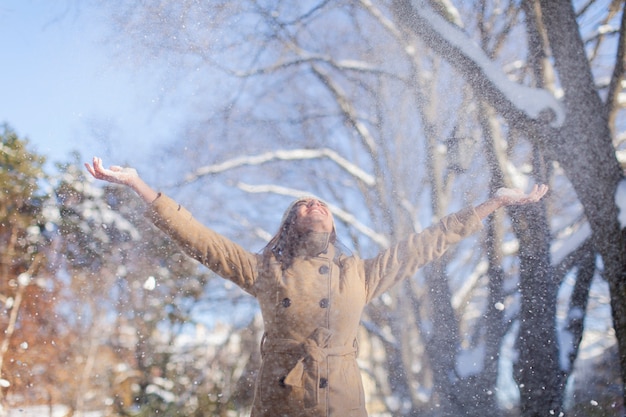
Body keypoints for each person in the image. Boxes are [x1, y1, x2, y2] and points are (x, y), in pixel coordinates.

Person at [85, 156, 548, 417]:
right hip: (280, 403)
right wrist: (140, 185)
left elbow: (427, 244)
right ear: (290, 223)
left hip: (341, 405)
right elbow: (200, 240)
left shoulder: (358, 274)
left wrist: (491, 204)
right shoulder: (266, 271)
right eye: (303, 204)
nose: (314, 205)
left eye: (320, 203)